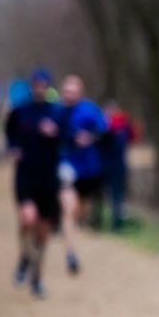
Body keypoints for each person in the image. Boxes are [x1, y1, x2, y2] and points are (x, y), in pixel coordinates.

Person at [4, 70, 64, 298]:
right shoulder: (21, 112)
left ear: (48, 86)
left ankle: (37, 277)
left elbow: (66, 139)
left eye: (43, 84)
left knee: (43, 231)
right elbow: (9, 133)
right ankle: (24, 258)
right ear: (31, 86)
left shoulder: (56, 112)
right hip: (25, 174)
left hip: (48, 176)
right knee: (27, 218)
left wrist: (56, 133)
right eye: (36, 84)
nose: (39, 87)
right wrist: (13, 149)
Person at [55, 74, 108, 270]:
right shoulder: (56, 111)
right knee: (68, 210)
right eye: (66, 92)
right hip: (65, 165)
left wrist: (90, 138)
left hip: (88, 168)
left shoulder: (89, 110)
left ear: (80, 93)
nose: (69, 95)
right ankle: (71, 255)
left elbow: (103, 130)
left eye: (73, 92)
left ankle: (75, 222)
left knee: (81, 210)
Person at [101, 101, 140, 231]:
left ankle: (110, 223)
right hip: (114, 166)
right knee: (115, 196)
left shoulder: (104, 125)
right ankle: (114, 224)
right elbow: (134, 137)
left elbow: (133, 137)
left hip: (108, 166)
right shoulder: (123, 125)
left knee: (111, 196)